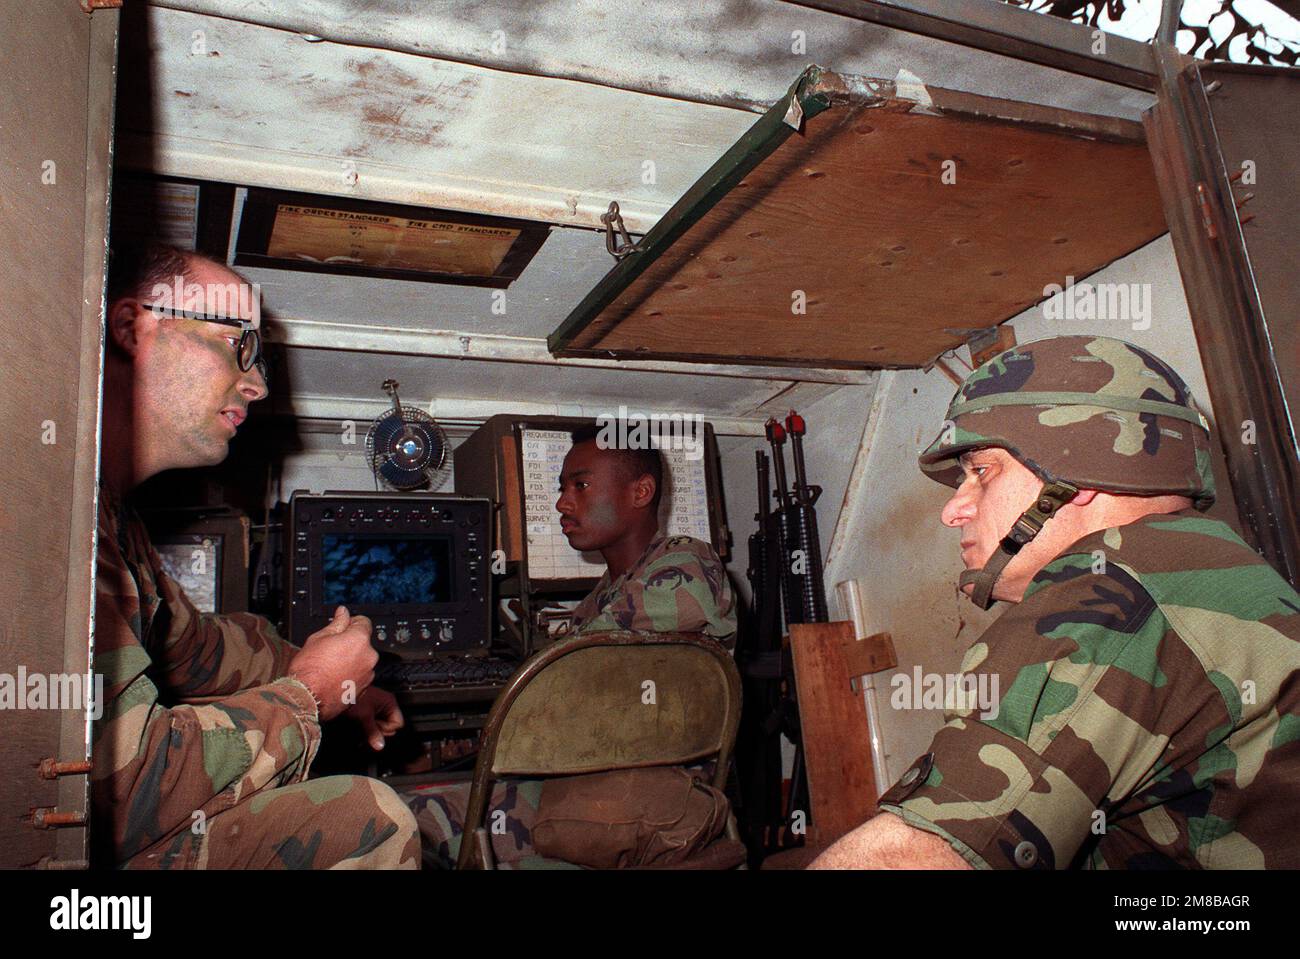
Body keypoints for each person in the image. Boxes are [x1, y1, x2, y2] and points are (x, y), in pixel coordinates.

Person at [812, 335, 1300, 870]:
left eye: (981, 472)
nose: (953, 510)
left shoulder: (1113, 593)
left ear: (1073, 468)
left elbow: (927, 856)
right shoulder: (1200, 566)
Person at [93, 243, 419, 869]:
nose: (259, 383)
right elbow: (127, 784)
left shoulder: (110, 517)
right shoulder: (45, 513)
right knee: (370, 820)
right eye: (237, 343)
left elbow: (195, 649)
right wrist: (310, 693)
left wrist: (329, 676)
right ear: (133, 328)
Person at [405, 422, 736, 867]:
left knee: (413, 823)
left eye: (581, 485)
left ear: (640, 493)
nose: (563, 502)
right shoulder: (607, 592)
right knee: (408, 817)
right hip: (586, 784)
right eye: (563, 486)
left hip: (647, 798)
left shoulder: (688, 562)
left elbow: (564, 672)